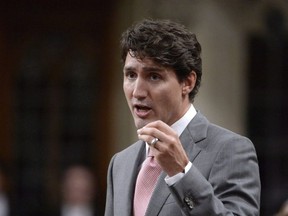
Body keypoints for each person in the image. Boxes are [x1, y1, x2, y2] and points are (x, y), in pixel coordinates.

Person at [105, 19, 261, 216]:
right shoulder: (120, 163)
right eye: (130, 75)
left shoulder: (231, 150)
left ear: (187, 82)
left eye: (154, 76)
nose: (137, 91)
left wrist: (182, 173)